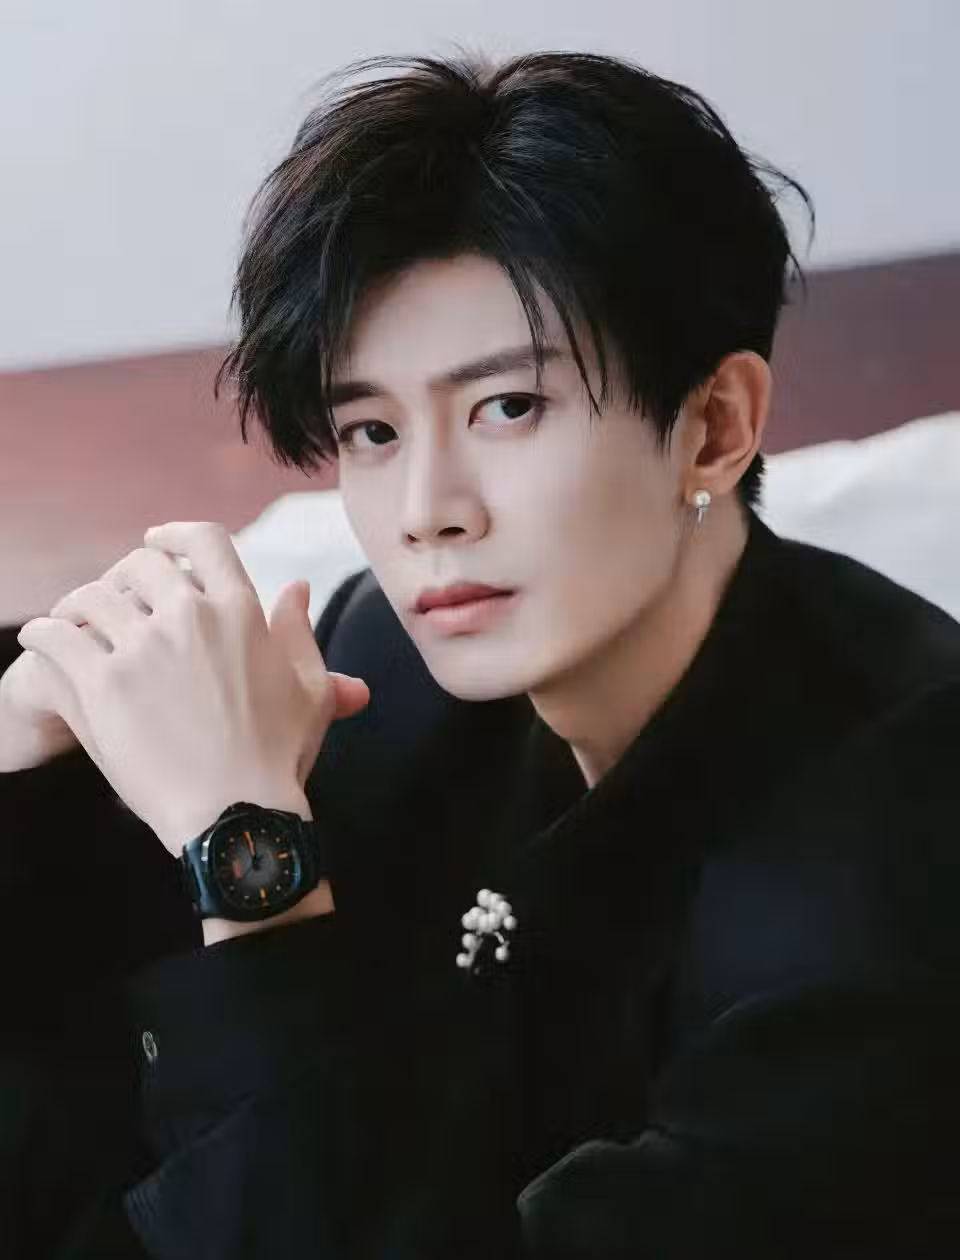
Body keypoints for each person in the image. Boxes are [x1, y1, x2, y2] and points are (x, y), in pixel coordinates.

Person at [2, 49, 960, 1259]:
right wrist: (25, 755)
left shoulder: (898, 868)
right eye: (371, 430)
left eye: (508, 408)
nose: (426, 511)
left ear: (716, 427)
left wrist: (251, 853)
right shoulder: (388, 657)